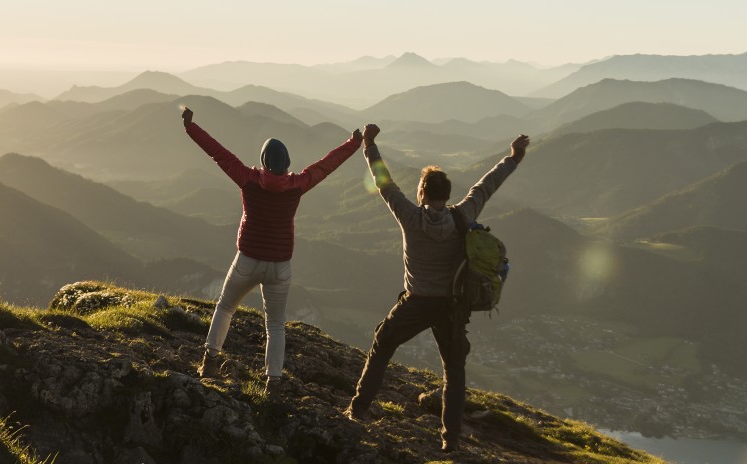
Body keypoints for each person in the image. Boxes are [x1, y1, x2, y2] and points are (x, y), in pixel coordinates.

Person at [345, 123, 530, 453]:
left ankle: (357, 410)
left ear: (422, 193)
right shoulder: (463, 215)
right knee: (454, 369)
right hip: (451, 306)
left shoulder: (409, 216)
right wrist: (513, 158)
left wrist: (369, 145)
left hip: (416, 302)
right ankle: (451, 440)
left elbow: (383, 182)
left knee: (382, 345)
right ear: (446, 194)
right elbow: (486, 186)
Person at [181, 104, 362, 393]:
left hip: (247, 260)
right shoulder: (297, 185)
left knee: (226, 307)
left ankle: (209, 362)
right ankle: (273, 381)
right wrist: (354, 142)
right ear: (287, 162)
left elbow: (218, 152)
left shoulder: (247, 179)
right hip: (280, 266)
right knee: (275, 325)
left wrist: (191, 127)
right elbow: (327, 165)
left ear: (264, 161)